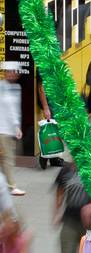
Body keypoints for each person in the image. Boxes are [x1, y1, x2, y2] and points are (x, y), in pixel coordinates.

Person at [54, 163, 91, 253]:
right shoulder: (65, 171)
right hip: (69, 221)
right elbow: (60, 191)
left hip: (89, 225)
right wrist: (57, 212)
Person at [0, 62, 25, 196]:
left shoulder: (16, 87)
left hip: (9, 129)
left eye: (14, 72)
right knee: (8, 158)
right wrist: (16, 126)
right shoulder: (2, 87)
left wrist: (17, 127)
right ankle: (11, 186)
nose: (12, 74)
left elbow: (15, 110)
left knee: (5, 159)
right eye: (9, 71)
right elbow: (10, 109)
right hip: (3, 129)